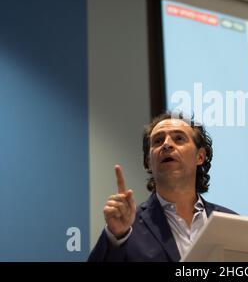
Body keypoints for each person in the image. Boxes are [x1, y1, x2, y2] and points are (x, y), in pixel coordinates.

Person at [88, 112, 237, 262]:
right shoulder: (126, 227)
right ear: (148, 163)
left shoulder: (231, 223)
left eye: (179, 138)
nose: (166, 144)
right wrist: (115, 237)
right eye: (158, 141)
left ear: (200, 156)